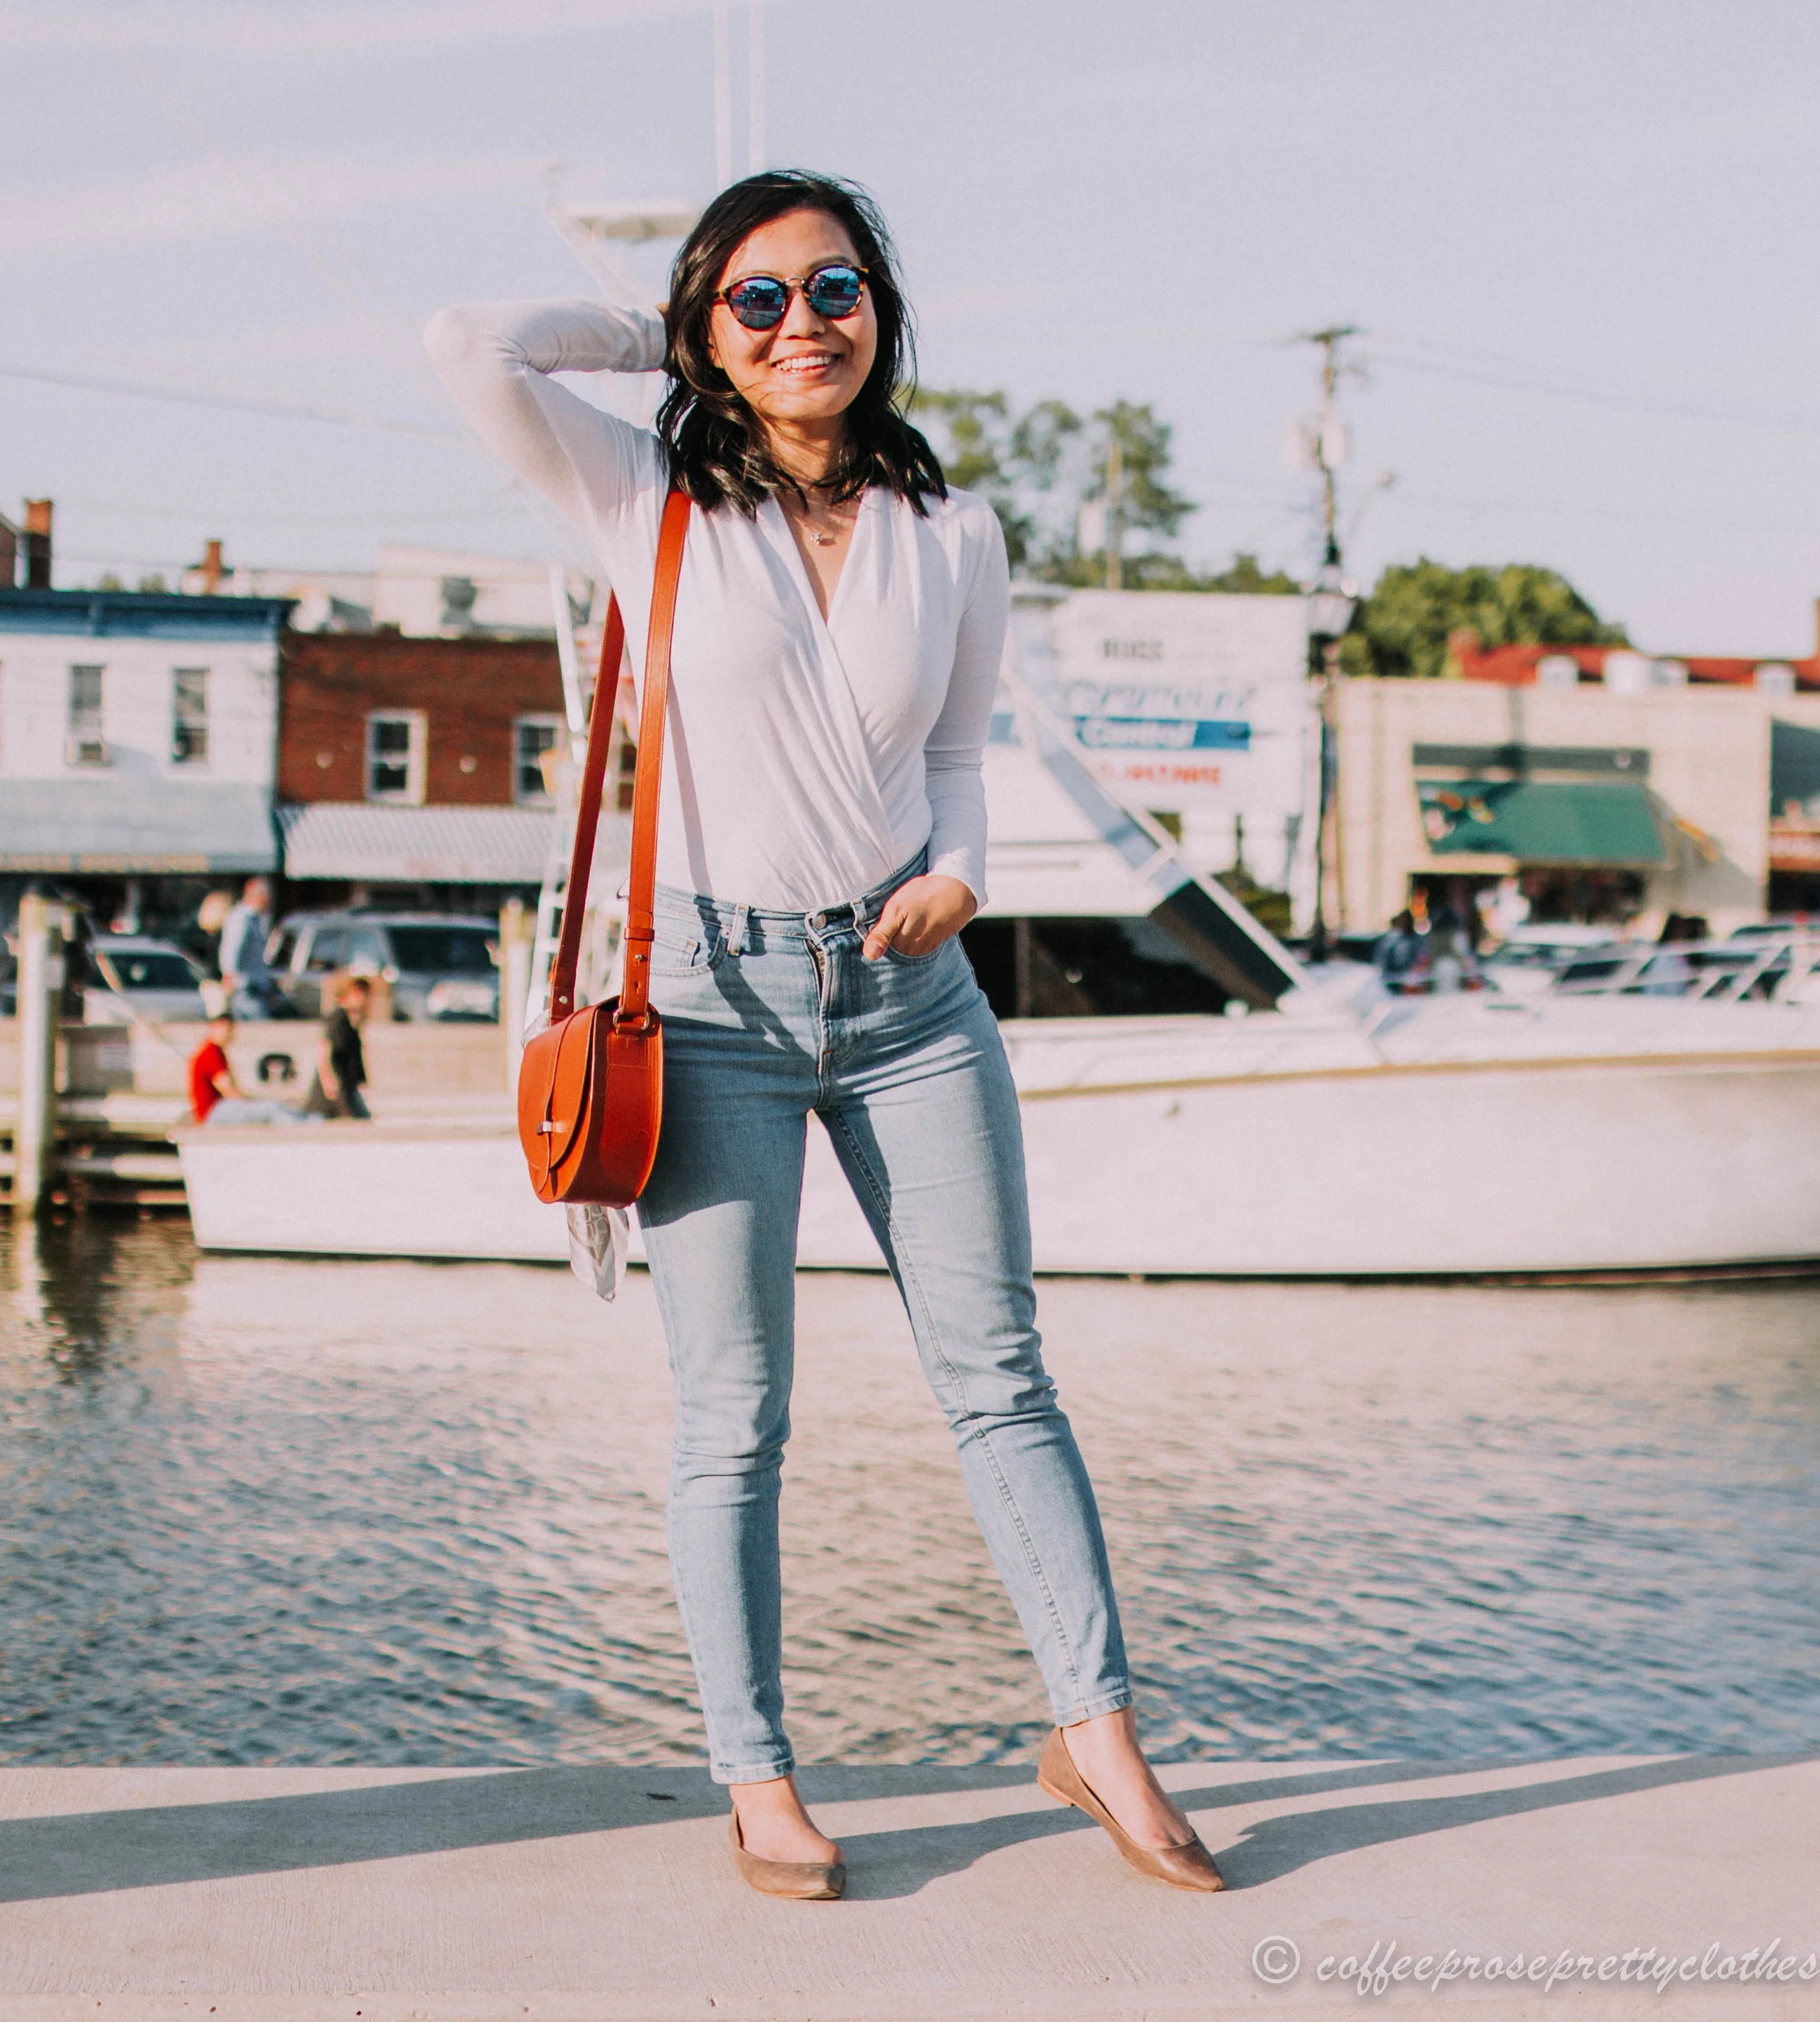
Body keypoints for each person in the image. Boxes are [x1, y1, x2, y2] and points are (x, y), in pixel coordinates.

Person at [426, 170, 1224, 1897]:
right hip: (709, 997)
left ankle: (1096, 1734)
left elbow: (954, 758)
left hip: (911, 998)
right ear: (710, 329)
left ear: (884, 311)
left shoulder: (953, 531)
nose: (806, 323)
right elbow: (467, 344)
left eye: (837, 289)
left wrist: (962, 874)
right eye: (761, 298)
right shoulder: (639, 489)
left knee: (1000, 1374)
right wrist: (666, 334)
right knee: (735, 1409)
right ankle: (754, 1774)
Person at [187, 1011, 305, 1126]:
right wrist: (250, 1104)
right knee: (270, 1108)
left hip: (214, 1111)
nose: (229, 1035)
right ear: (213, 1028)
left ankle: (303, 1121)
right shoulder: (211, 1053)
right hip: (214, 1113)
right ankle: (302, 1126)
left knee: (268, 1106)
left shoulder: (211, 1051)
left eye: (231, 1030)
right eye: (226, 1030)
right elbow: (228, 1091)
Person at [301, 971, 371, 1119]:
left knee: (361, 1121)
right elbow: (323, 1049)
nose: (363, 998)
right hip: (334, 1093)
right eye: (358, 993)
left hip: (347, 1088)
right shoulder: (338, 1018)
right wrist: (329, 1080)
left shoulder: (351, 1022)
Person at [218, 877, 278, 1020]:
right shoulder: (242, 918)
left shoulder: (255, 919)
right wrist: (229, 975)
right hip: (246, 988)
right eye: (266, 896)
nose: (269, 901)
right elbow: (231, 949)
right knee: (262, 1028)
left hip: (254, 987)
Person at [1373, 907, 1422, 992]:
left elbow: (1420, 957)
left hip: (1409, 977)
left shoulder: (1416, 940)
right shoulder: (1390, 939)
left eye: (1406, 921)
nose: (1404, 923)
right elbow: (1381, 958)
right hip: (1390, 977)